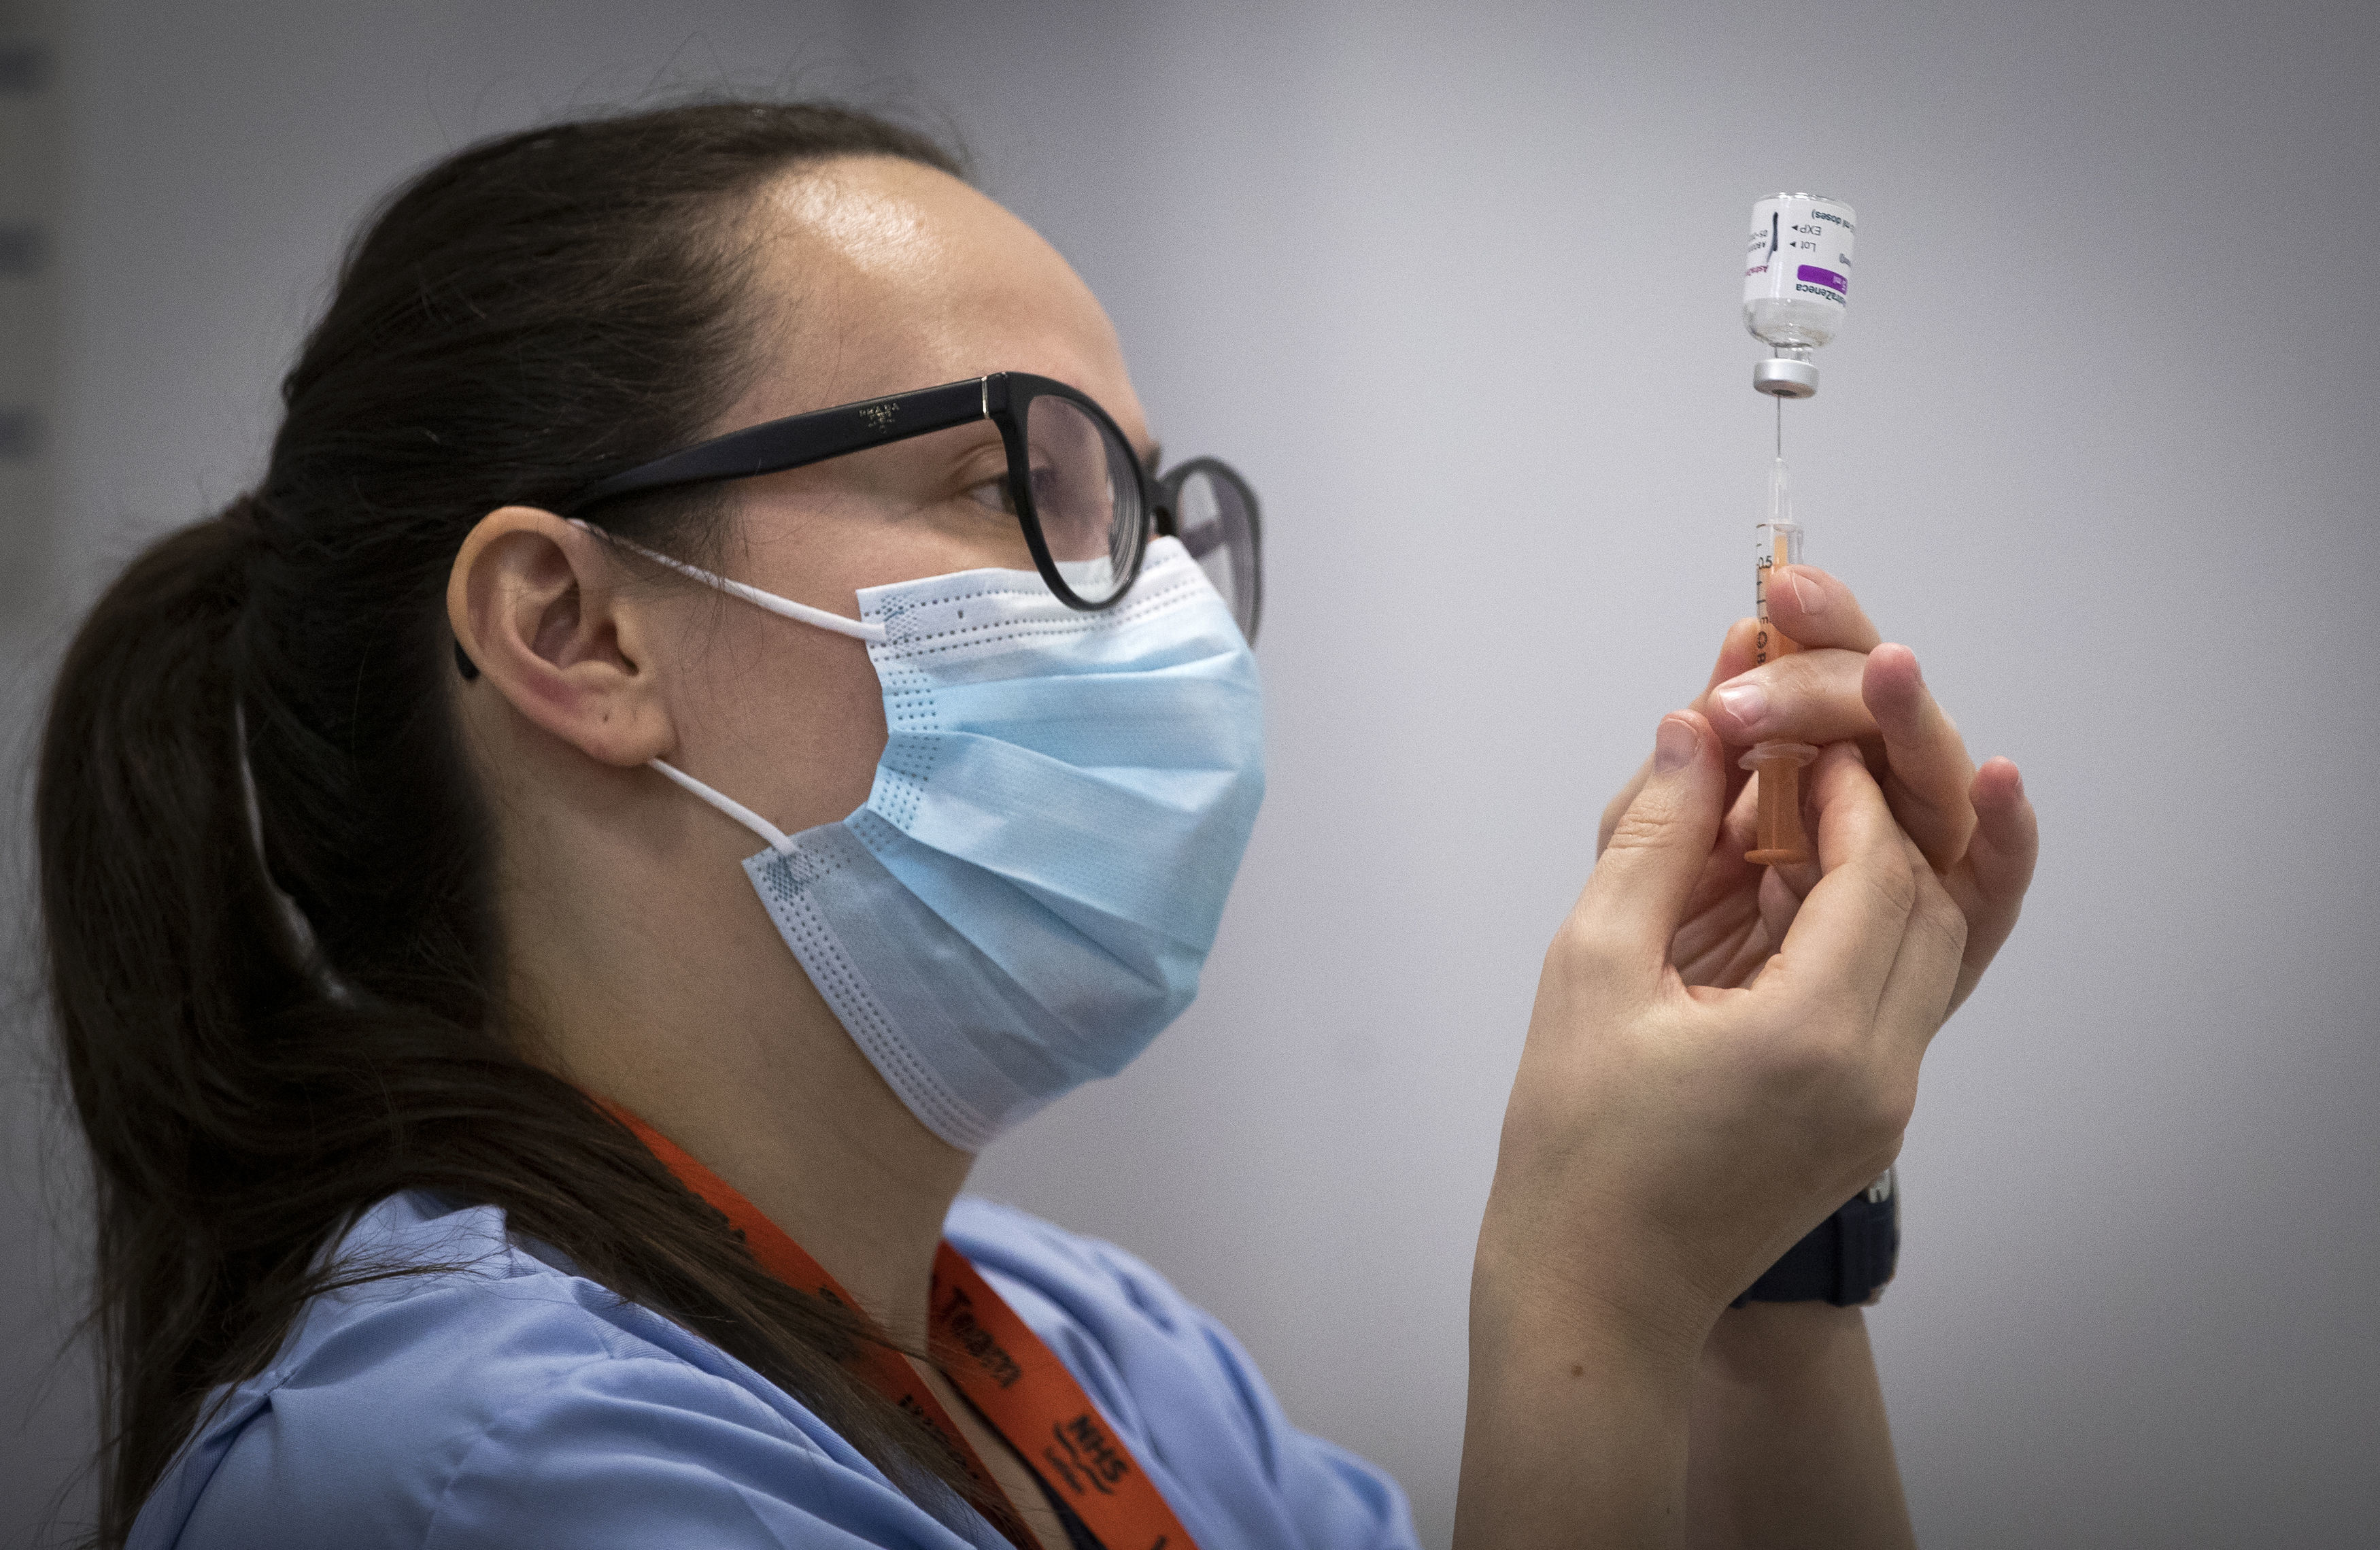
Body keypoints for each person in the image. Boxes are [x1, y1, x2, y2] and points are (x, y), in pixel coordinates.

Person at [36, 101, 2036, 1550]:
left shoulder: (1087, 1347)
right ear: (575, 629)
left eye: (1159, 511)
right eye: (1026, 478)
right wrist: (1583, 1295)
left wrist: (1759, 1273)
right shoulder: (471, 1477)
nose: (1158, 604)